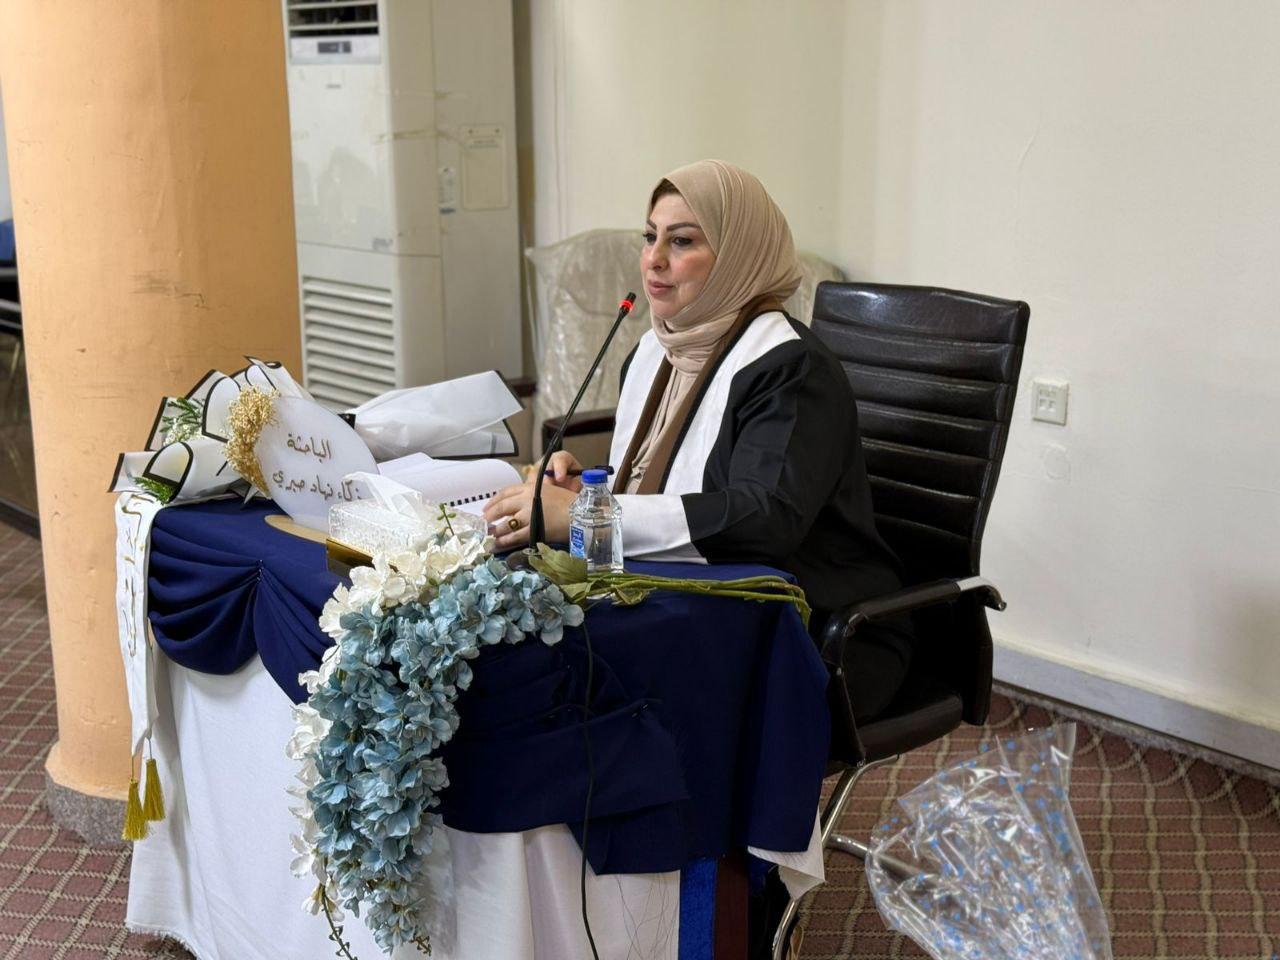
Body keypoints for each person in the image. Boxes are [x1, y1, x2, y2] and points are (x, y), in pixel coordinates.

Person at [485, 158, 912, 956]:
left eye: (682, 242)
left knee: (587, 677)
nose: (653, 260)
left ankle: (701, 913)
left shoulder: (792, 371)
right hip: (699, 601)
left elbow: (763, 518)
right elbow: (666, 481)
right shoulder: (659, 348)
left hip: (812, 626)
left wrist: (589, 519)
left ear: (740, 254)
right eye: (650, 237)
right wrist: (588, 487)